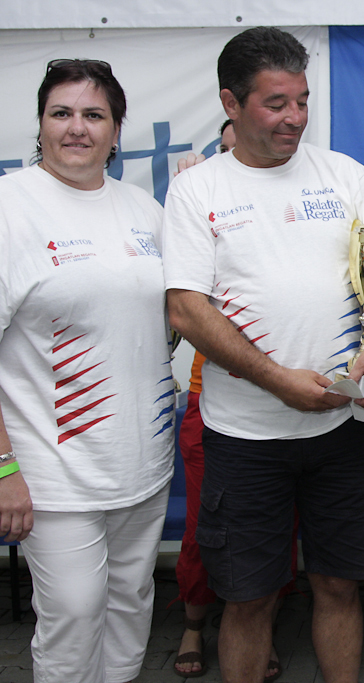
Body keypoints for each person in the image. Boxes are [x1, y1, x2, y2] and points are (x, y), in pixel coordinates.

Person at [162, 27, 364, 683]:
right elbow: (186, 309)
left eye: (303, 101)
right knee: (249, 598)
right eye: (276, 103)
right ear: (231, 103)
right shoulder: (199, 191)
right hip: (244, 438)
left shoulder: (341, 174)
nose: (295, 117)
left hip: (344, 429)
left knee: (340, 586)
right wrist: (276, 380)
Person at [0, 58, 174, 683]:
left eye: (94, 115)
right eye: (62, 113)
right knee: (73, 618)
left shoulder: (143, 209)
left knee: (130, 610)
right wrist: (3, 468)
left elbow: (172, 319)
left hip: (143, 465)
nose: (77, 128)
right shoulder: (10, 207)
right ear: (41, 124)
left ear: (117, 130)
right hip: (52, 473)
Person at [172, 118, 296, 682]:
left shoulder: (286, 210)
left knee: (275, 530)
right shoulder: (197, 202)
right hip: (212, 402)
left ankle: (258, 630)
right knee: (205, 526)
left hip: (287, 403)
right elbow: (183, 303)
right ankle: (193, 624)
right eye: (225, 151)